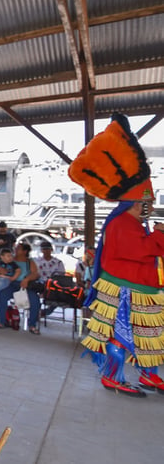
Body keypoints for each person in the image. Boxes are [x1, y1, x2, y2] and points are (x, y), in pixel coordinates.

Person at [69, 113, 164, 397]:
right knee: (120, 336)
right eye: (147, 201)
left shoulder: (133, 222)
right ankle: (112, 376)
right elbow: (141, 251)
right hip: (124, 291)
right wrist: (159, 234)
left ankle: (149, 375)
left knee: (147, 336)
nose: (150, 205)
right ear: (137, 202)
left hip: (139, 290)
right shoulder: (122, 223)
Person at [0, 242, 41, 334]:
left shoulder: (29, 262)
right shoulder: (11, 259)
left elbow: (36, 274)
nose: (15, 249)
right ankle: (1, 321)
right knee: (2, 296)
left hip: (26, 285)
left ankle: (32, 325)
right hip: (12, 283)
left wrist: (27, 279)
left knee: (35, 300)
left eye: (18, 248)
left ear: (24, 251)